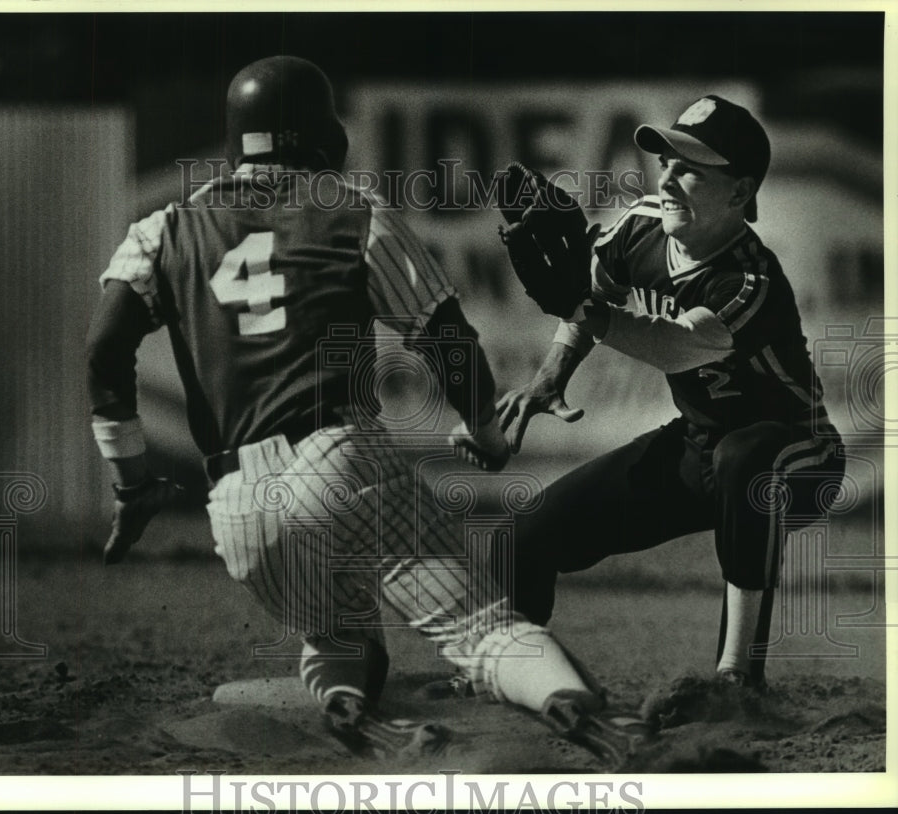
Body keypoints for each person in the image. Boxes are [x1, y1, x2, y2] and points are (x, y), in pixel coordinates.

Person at [85, 55, 648, 765]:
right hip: (336, 458)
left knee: (338, 635)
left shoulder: (162, 230)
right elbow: (444, 336)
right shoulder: (354, 212)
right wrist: (486, 430)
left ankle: (348, 708)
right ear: (323, 137)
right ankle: (589, 716)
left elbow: (104, 348)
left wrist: (131, 478)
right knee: (480, 627)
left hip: (233, 501)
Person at [497, 95, 846, 689]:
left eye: (690, 168)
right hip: (699, 447)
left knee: (745, 460)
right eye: (665, 162)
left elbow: (681, 346)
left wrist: (588, 311)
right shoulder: (641, 226)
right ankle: (509, 676)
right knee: (529, 534)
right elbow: (589, 299)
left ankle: (737, 678)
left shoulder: (750, 278)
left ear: (739, 194)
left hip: (797, 457)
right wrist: (553, 372)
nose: (668, 179)